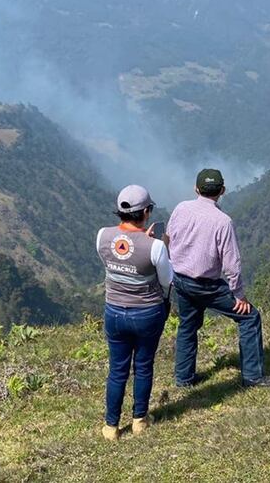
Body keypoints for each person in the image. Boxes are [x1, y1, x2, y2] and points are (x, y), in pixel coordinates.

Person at [167, 168, 270, 389]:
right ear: (222, 190)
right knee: (249, 317)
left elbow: (168, 238)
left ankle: (184, 378)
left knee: (187, 326)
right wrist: (239, 295)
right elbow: (232, 264)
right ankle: (252, 376)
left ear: (196, 188)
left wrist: (169, 270)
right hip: (207, 285)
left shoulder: (181, 209)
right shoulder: (223, 221)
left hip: (180, 279)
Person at [96, 184, 173, 441]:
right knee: (143, 366)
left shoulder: (102, 236)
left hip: (114, 312)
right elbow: (166, 280)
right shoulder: (155, 247)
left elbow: (113, 259)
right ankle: (140, 420)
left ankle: (111, 426)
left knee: (117, 369)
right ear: (147, 212)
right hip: (147, 313)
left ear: (119, 212)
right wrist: (157, 245)